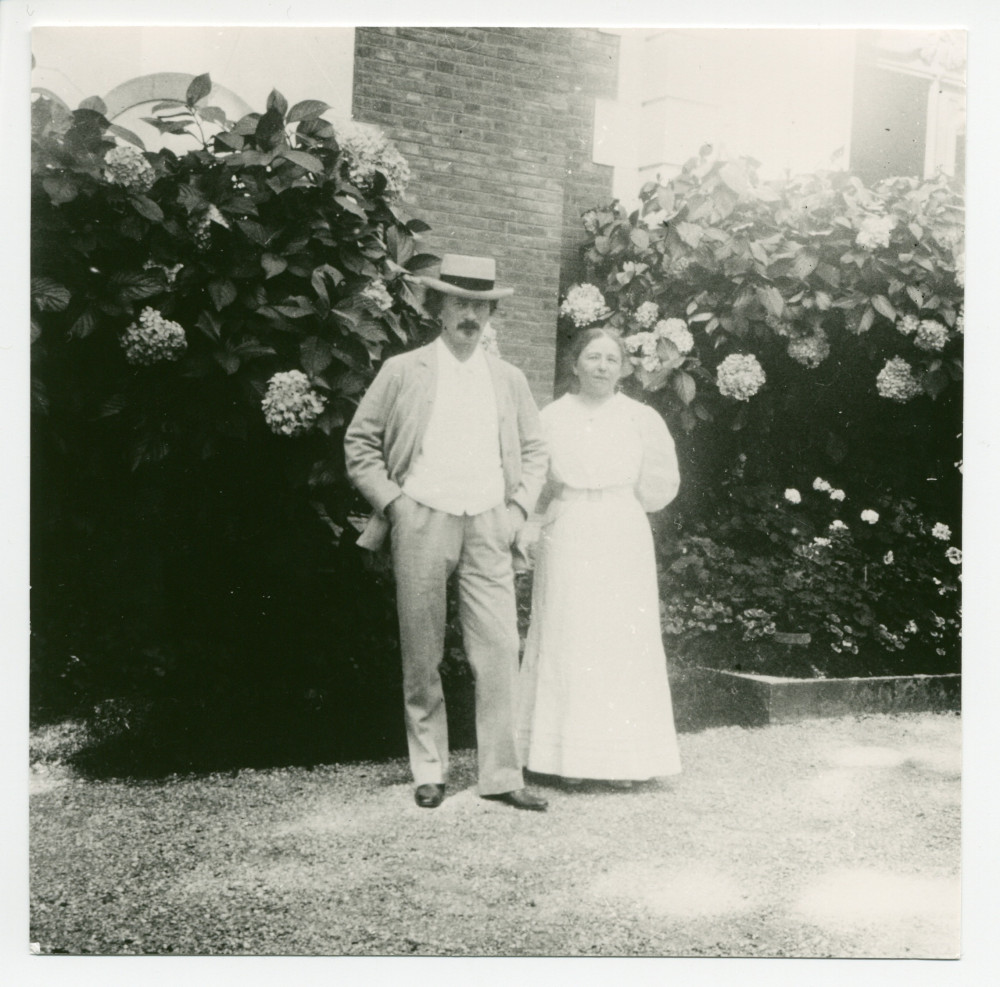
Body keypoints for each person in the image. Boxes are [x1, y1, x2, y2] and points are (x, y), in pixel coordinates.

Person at [344, 253, 550, 811]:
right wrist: (394, 504)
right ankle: (429, 769)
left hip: (489, 523)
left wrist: (517, 510)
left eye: (481, 306)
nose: (470, 315)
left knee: (500, 649)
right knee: (422, 650)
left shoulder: (508, 379)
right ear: (438, 307)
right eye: (460, 303)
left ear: (491, 314)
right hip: (422, 518)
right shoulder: (403, 370)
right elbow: (360, 443)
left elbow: (535, 451)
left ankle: (501, 775)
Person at [516, 327, 683, 786]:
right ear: (574, 364)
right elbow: (532, 474)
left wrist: (622, 504)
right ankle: (562, 759)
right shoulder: (551, 416)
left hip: (621, 528)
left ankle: (622, 761)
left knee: (619, 636)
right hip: (568, 525)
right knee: (567, 632)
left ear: (623, 368)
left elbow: (660, 481)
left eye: (611, 359)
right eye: (593, 357)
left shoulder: (641, 418)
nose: (602, 367)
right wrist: (533, 522)